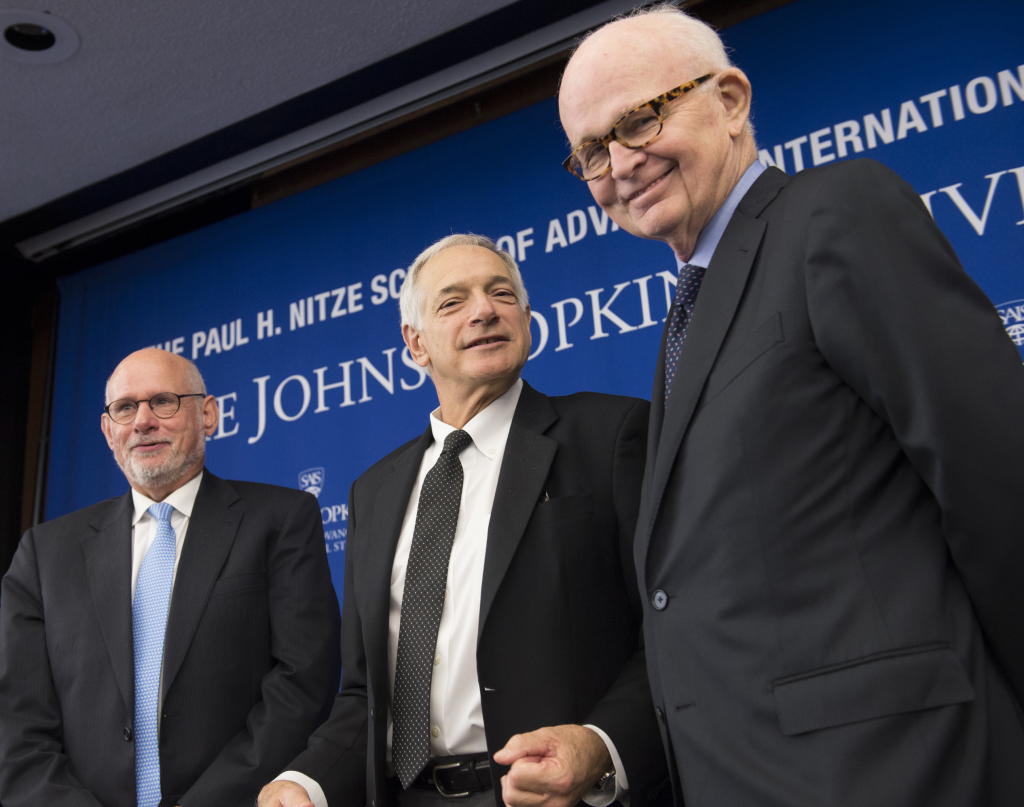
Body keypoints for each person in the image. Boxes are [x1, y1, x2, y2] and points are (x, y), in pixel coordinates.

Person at [557, 5, 1024, 806]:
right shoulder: (688, 310)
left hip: (900, 770)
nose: (620, 163)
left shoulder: (833, 213)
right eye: (592, 151)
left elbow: (997, 477)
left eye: (638, 119)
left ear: (731, 99)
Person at [258, 234, 667, 807]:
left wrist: (601, 746)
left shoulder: (610, 435)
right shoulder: (371, 492)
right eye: (453, 301)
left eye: (501, 294)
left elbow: (673, 629)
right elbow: (363, 697)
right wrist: (304, 782)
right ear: (415, 343)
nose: (484, 310)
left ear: (526, 320)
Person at [0, 349, 341, 807]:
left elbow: (304, 683)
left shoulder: (281, 520)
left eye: (163, 401)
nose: (142, 421)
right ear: (108, 431)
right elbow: (18, 724)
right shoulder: (43, 554)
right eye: (125, 408)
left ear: (208, 414)